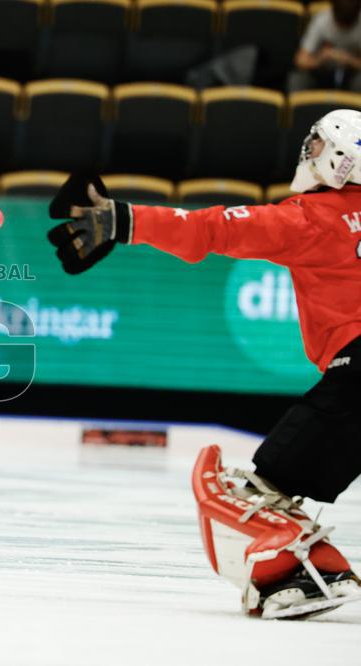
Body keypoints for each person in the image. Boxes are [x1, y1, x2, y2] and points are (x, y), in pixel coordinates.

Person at [47, 109, 361, 619]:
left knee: (260, 489)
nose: (310, 154)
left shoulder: (312, 218)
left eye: (320, 146)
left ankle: (296, 572)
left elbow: (211, 230)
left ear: (342, 163)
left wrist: (122, 220)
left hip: (357, 376)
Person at [289, 0, 361, 92]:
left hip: (351, 73)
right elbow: (300, 60)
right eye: (339, 23)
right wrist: (320, 59)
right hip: (321, 71)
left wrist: (349, 60)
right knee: (297, 80)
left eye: (348, 25)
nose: (342, 28)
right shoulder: (321, 20)